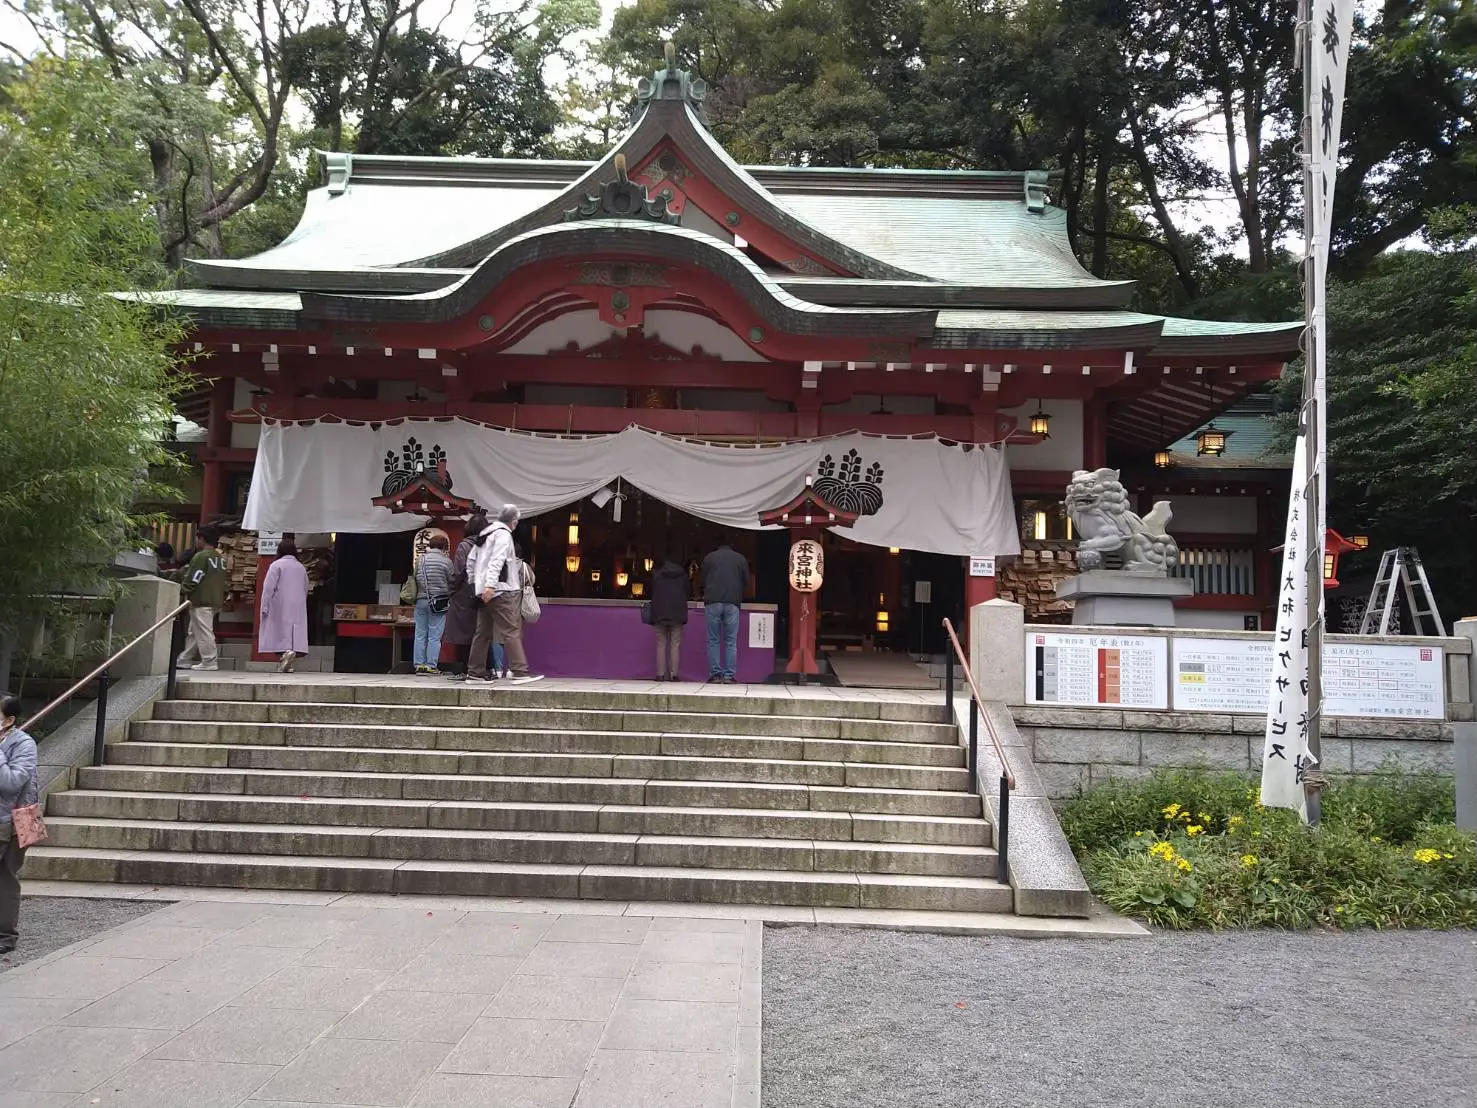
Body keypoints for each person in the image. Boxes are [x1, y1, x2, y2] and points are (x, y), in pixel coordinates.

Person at [468, 504, 538, 682]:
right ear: (513, 521)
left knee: (482, 632)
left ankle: (475, 671)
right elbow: (498, 560)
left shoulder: (485, 534)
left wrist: (475, 583)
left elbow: (471, 560)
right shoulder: (503, 535)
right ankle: (519, 670)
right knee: (511, 629)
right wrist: (491, 585)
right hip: (502, 589)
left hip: (482, 589)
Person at [0, 692, 39, 955]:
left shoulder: (24, 744)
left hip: (13, 821)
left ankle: (5, 936)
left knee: (7, 878)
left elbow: (12, 782)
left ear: (9, 720)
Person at [174, 526, 228, 672]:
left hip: (202, 599)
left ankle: (209, 660)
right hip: (215, 598)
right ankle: (185, 658)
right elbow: (224, 581)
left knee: (203, 630)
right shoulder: (220, 559)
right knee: (195, 630)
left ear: (202, 539)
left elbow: (195, 577)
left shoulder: (201, 557)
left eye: (198, 538)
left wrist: (183, 590)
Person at [444, 512, 487, 678]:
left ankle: (464, 668)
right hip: (485, 593)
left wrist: (452, 590)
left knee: (463, 633)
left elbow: (459, 571)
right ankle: (483, 668)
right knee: (482, 632)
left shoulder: (465, 545)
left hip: (465, 593)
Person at [700, 540, 749, 683]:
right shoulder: (740, 558)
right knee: (730, 641)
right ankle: (728, 676)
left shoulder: (710, 557)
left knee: (713, 640)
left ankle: (715, 674)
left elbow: (702, 579)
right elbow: (746, 580)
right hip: (733, 602)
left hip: (713, 601)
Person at [258, 538, 309, 672]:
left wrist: (264, 606)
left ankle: (285, 654)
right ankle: (289, 658)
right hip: (298, 604)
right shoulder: (300, 567)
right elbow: (305, 587)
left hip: (279, 603)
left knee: (280, 631)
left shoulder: (276, 565)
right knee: (293, 631)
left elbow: (268, 588)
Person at [413, 533, 455, 675]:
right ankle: (431, 665)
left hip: (421, 599)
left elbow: (415, 578)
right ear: (444, 547)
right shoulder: (446, 562)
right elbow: (452, 581)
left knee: (420, 634)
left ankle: (419, 664)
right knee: (434, 636)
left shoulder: (420, 560)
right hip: (439, 602)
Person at [650, 554, 691, 681]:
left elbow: (651, 592)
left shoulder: (657, 575)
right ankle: (674, 674)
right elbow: (688, 593)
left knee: (661, 644)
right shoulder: (683, 576)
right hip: (677, 613)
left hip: (660, 613)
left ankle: (660, 674)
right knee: (675, 644)